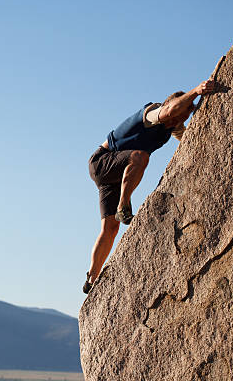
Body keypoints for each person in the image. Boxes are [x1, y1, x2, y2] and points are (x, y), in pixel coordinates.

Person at [83, 79, 216, 294]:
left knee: (110, 228)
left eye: (185, 116)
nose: (182, 118)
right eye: (181, 113)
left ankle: (91, 277)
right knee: (140, 157)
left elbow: (189, 138)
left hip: (114, 174)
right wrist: (197, 91)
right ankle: (124, 206)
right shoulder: (152, 114)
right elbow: (171, 109)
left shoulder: (172, 127)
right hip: (102, 162)